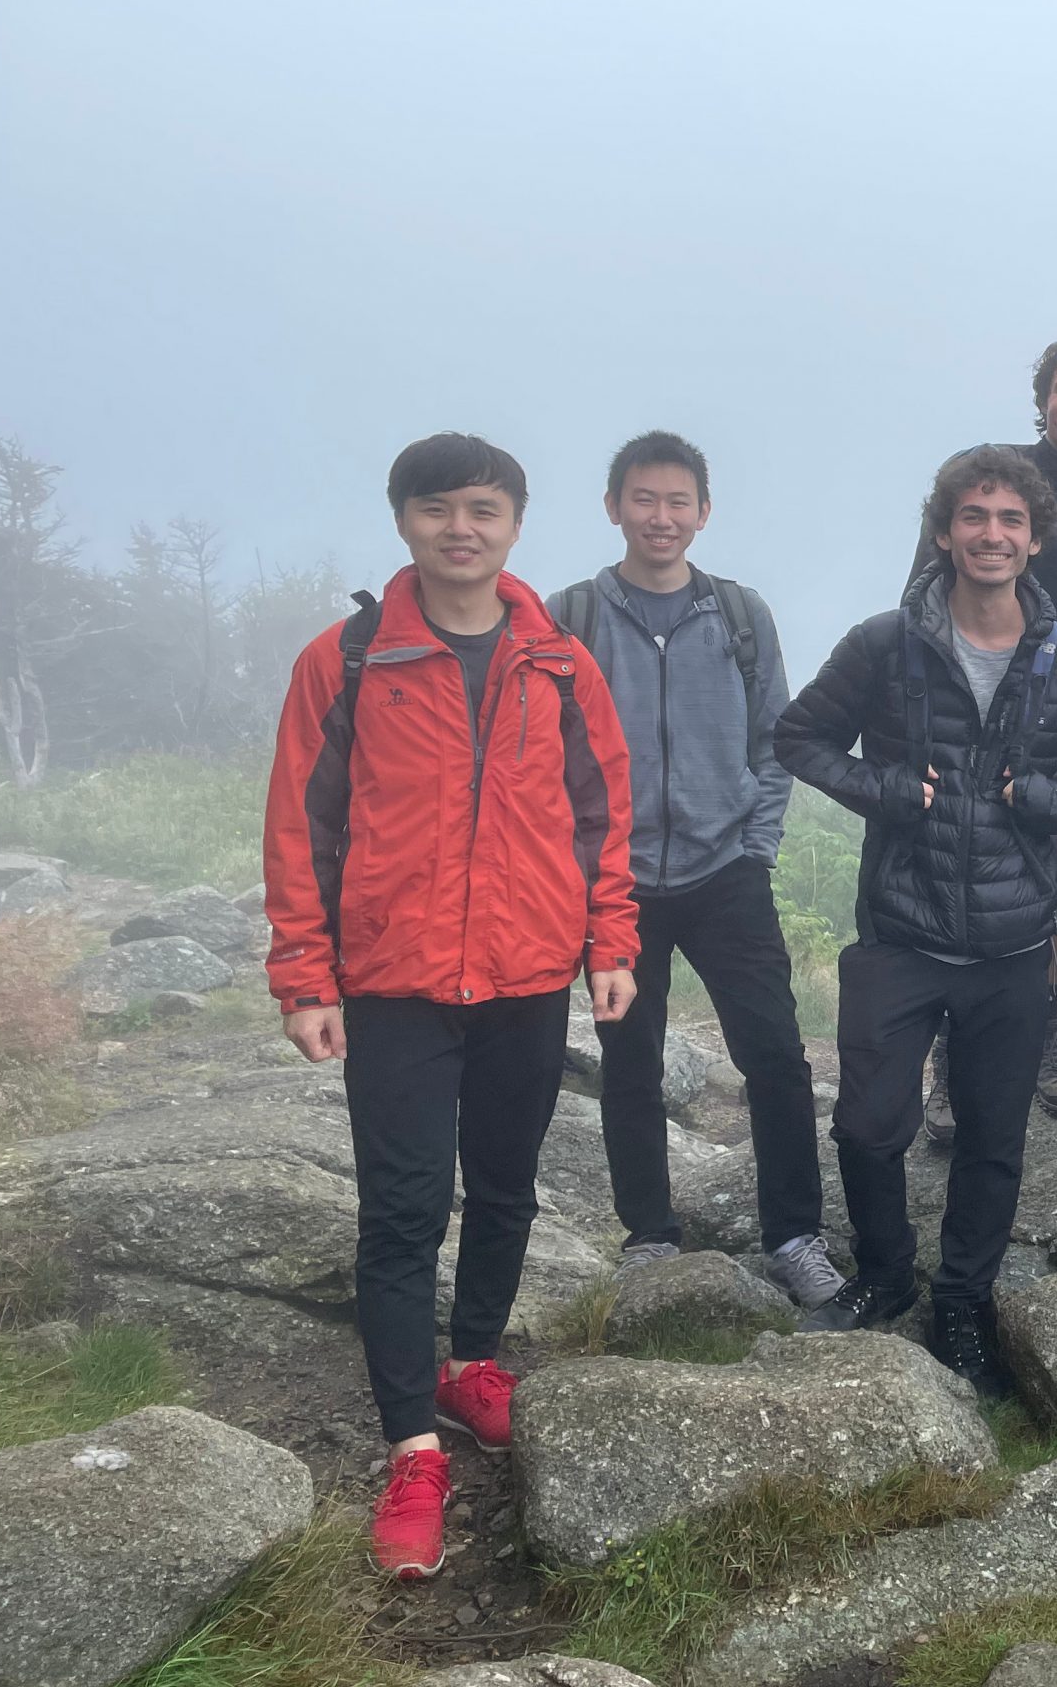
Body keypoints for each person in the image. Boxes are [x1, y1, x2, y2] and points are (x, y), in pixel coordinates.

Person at [263, 433, 639, 1579]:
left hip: (528, 978)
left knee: (510, 1188)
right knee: (403, 1211)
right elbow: (302, 824)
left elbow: (601, 814)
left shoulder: (561, 664)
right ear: (404, 522)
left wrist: (608, 939)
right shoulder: (349, 658)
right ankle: (412, 1449)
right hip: (395, 985)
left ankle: (471, 1361)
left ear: (516, 525)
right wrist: (303, 974)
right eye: (438, 510)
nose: (460, 529)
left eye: (483, 510)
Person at [772, 445, 1057, 1395]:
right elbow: (799, 737)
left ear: (1034, 539)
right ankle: (887, 1275)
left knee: (990, 1140)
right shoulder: (885, 643)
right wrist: (885, 790)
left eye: (1011, 520)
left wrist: (1053, 801)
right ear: (944, 532)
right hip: (900, 929)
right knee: (866, 1124)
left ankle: (965, 1304)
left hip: (1013, 943)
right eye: (974, 517)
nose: (992, 534)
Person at [547, 431, 839, 1313]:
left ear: (703, 514)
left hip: (726, 872)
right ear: (613, 507)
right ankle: (647, 1235)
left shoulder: (739, 616)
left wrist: (756, 845)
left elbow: (776, 741)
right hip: (616, 883)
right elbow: (546, 751)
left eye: (679, 502)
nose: (661, 517)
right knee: (628, 1060)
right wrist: (578, 864)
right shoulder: (573, 617)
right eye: (644, 499)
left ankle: (794, 1235)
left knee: (777, 1055)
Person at [909, 335, 1057, 1141]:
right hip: (967, 708)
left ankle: (1044, 1044)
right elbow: (922, 594)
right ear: (1042, 399)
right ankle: (943, 1073)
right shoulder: (990, 472)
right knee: (956, 883)